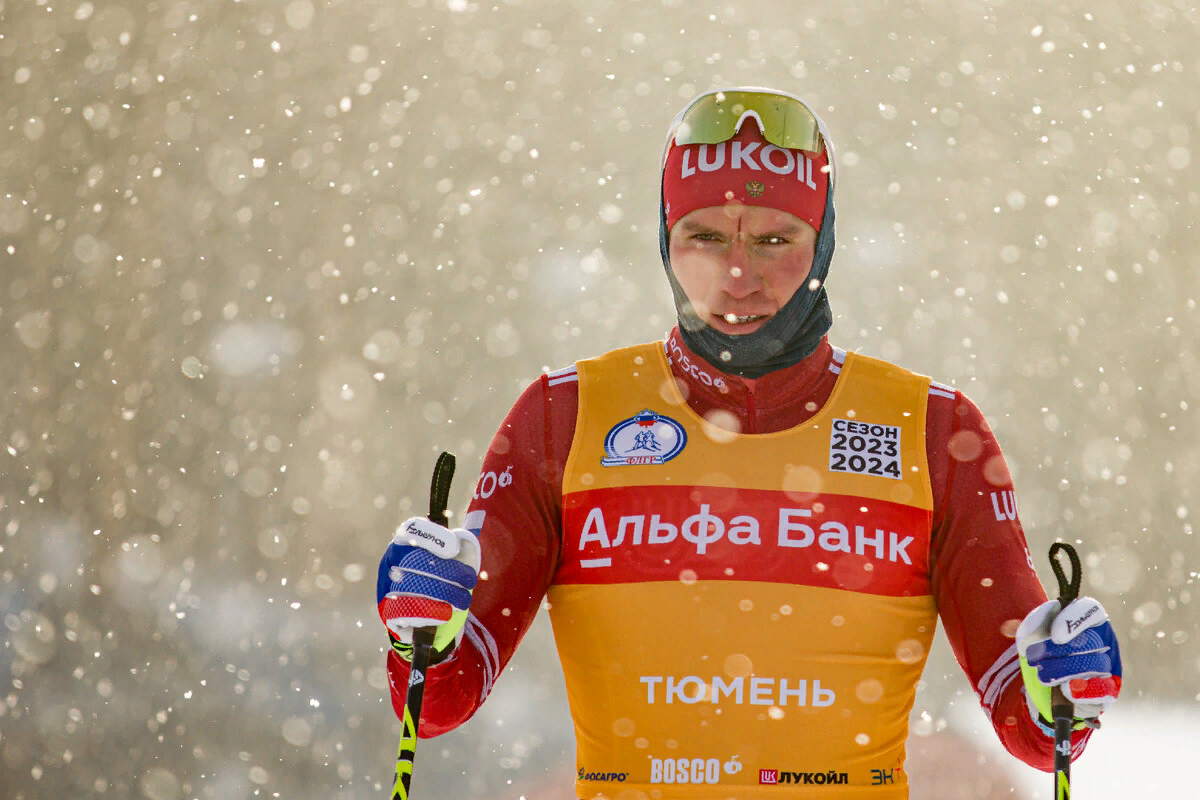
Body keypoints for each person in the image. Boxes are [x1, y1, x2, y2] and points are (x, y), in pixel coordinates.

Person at [376, 87, 1122, 798]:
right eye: (703, 237)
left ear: (823, 240)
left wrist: (1068, 680)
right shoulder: (564, 417)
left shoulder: (932, 429)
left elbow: (1036, 730)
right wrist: (422, 624)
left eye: (774, 239)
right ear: (665, 242)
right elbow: (436, 703)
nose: (738, 276)